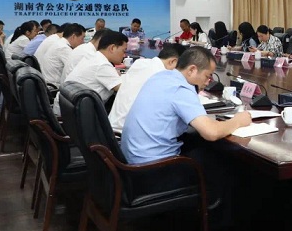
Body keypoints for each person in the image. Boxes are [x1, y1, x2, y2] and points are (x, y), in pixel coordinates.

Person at [121, 47, 251, 164]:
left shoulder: (161, 76)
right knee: (225, 162)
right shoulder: (181, 88)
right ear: (192, 70)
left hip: (132, 160)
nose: (208, 82)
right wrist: (238, 121)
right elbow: (211, 132)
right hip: (153, 167)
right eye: (207, 76)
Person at [108, 43, 186, 131]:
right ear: (173, 62)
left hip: (110, 130)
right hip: (131, 134)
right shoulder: (164, 75)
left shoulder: (139, 63)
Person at [56, 30, 127, 116]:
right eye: (124, 51)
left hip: (68, 112)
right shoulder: (102, 65)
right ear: (112, 48)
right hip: (78, 116)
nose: (124, 55)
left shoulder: (94, 57)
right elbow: (125, 89)